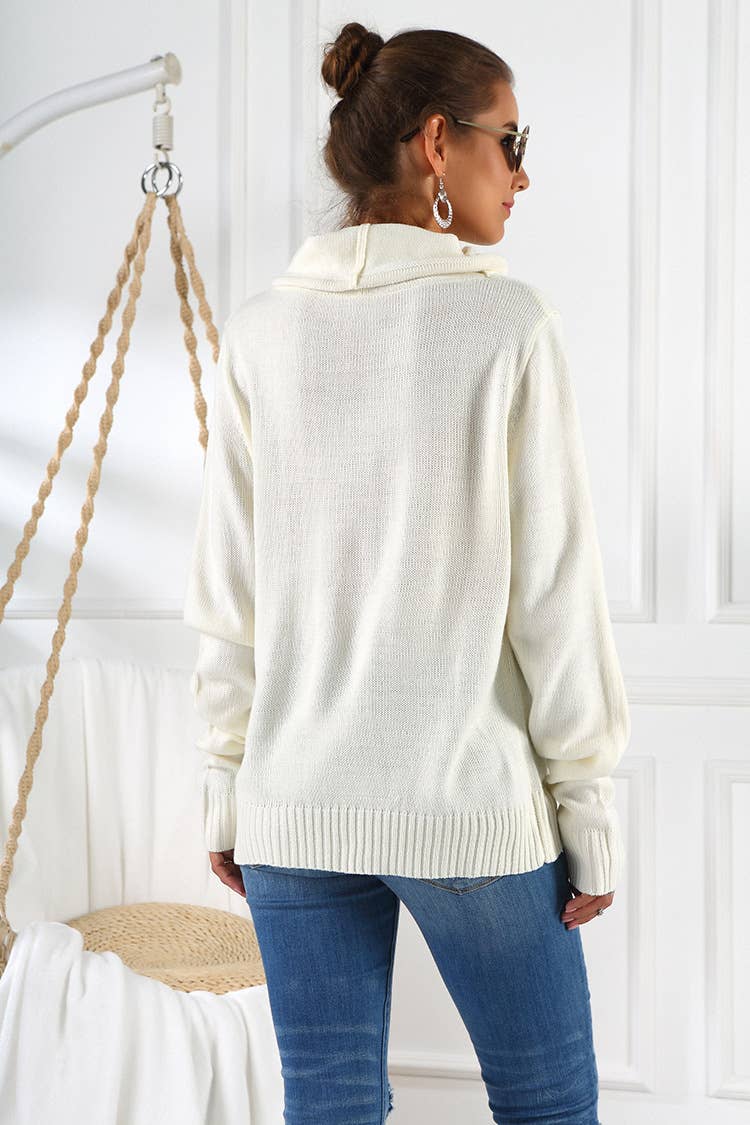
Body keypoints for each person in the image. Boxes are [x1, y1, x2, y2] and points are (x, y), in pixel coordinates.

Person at [183, 22, 631, 1125]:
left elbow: (227, 594)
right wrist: (587, 805)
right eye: (510, 141)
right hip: (467, 806)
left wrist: (225, 779)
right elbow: (556, 599)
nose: (522, 173)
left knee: (328, 1106)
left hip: (292, 807)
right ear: (438, 143)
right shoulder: (507, 325)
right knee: (550, 1106)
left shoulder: (260, 333)